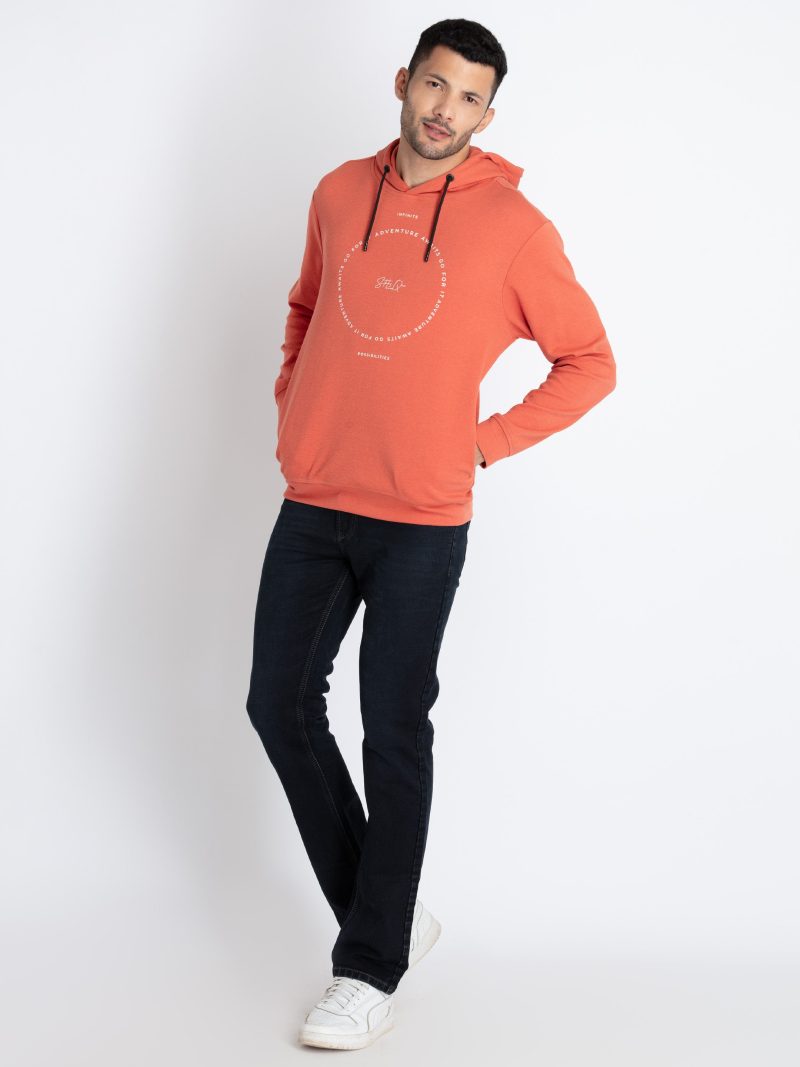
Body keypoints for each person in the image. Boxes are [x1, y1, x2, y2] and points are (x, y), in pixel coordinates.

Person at [245, 17, 616, 1051]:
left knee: (393, 729)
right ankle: (393, 915)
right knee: (276, 703)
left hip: (420, 519)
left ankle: (368, 967)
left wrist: (482, 444)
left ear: (488, 116)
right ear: (404, 81)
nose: (446, 109)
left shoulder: (514, 227)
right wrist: (295, 406)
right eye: (435, 85)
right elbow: (306, 307)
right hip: (315, 499)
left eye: (469, 98)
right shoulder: (337, 192)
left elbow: (589, 361)